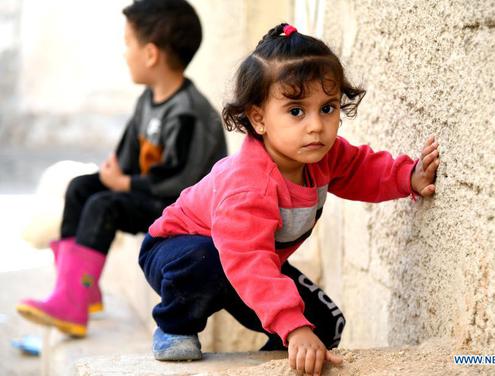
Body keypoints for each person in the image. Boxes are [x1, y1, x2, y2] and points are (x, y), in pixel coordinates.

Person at [139, 23, 440, 375]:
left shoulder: (321, 156)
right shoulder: (247, 185)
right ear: (258, 118)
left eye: (327, 108)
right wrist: (291, 326)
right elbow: (247, 260)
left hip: (251, 258)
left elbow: (361, 169)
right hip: (177, 253)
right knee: (210, 260)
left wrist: (408, 177)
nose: (316, 126)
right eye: (296, 111)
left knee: (324, 325)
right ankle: (175, 326)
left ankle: (274, 360)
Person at [17, 0, 227, 338]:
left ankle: (73, 298)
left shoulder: (190, 112)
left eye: (128, 44)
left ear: (150, 54)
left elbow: (180, 180)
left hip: (184, 212)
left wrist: (124, 184)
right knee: (81, 188)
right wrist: (112, 175)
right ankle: (78, 289)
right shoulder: (148, 101)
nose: (124, 53)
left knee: (105, 205)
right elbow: (126, 159)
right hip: (153, 197)